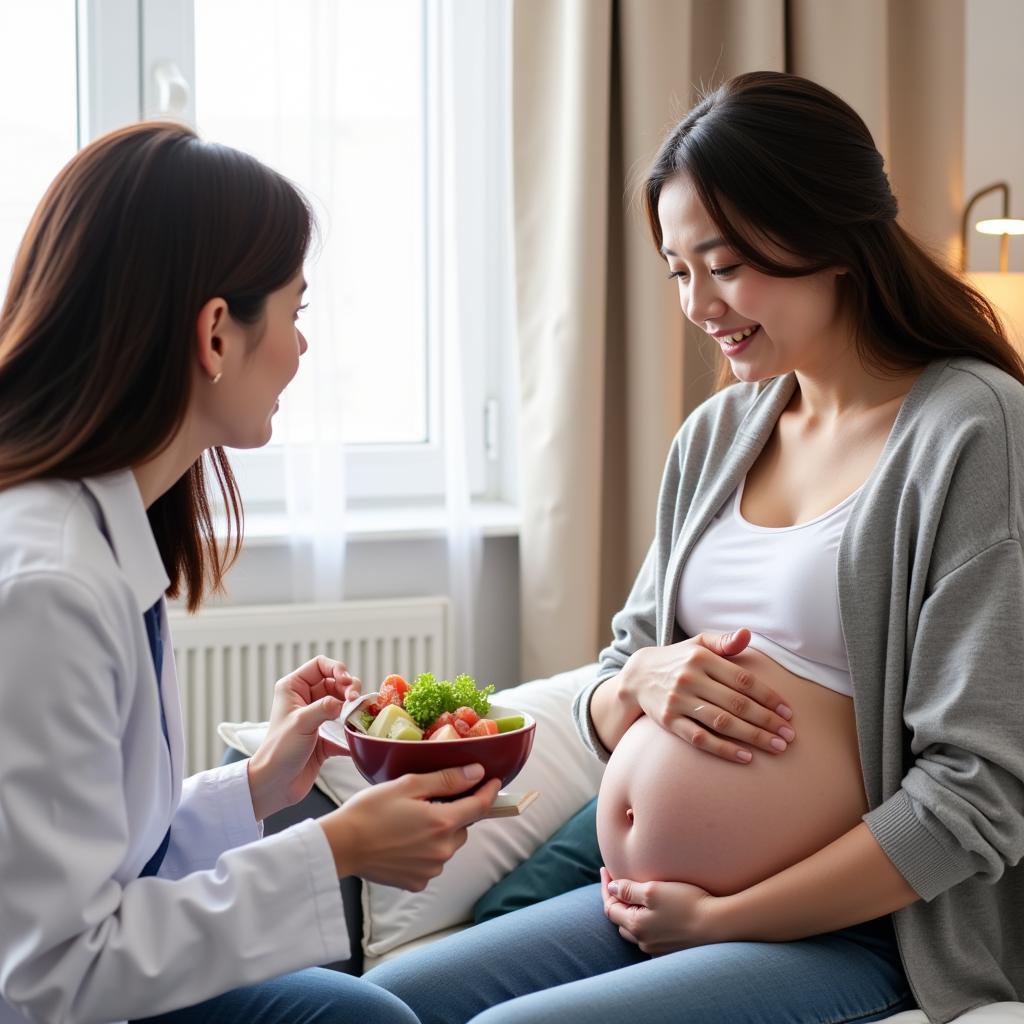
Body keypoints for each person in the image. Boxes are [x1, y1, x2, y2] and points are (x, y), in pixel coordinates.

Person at [363, 71, 1024, 1024]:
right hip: (654, 906)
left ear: (828, 233)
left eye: (723, 264)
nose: (699, 303)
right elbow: (621, 670)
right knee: (386, 1003)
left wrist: (728, 918)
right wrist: (638, 684)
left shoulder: (972, 429)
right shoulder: (718, 434)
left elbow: (979, 791)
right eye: (679, 271)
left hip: (858, 930)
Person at [0, 121, 501, 1024]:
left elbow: (94, 861)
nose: (303, 350)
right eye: (297, 312)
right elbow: (48, 977)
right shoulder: (45, 586)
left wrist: (258, 787)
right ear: (217, 332)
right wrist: (334, 849)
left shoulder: (99, 529)